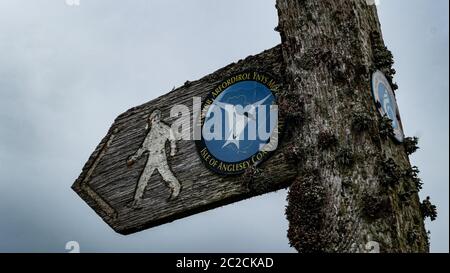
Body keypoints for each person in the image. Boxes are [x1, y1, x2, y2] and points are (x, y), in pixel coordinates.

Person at [127, 110, 181, 208]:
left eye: (152, 118)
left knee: (166, 175)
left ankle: (176, 189)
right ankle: (137, 201)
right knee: (144, 178)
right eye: (151, 119)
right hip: (152, 157)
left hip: (160, 156)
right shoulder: (150, 133)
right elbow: (143, 147)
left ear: (156, 118)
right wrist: (133, 158)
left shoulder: (163, 127)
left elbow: (172, 137)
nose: (151, 121)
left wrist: (173, 150)